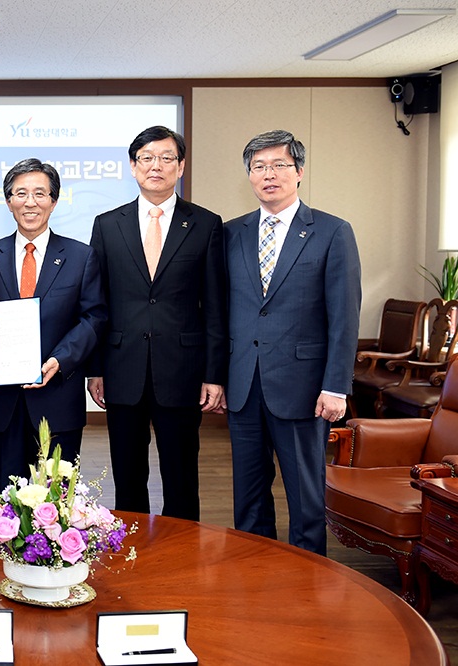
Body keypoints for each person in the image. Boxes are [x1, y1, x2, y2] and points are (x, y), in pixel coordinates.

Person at [225, 129, 361, 555]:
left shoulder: (332, 231)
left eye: (279, 165)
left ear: (299, 171)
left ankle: (307, 577)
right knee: (248, 494)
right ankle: (255, 566)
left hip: (304, 386)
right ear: (249, 175)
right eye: (259, 166)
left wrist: (336, 386)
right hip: (243, 384)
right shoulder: (231, 233)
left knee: (305, 496)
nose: (269, 174)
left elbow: (344, 316)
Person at [88, 126, 227, 521]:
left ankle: (182, 549)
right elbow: (97, 302)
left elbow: (215, 305)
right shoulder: (107, 224)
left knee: (181, 476)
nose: (156, 166)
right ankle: (132, 547)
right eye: (147, 158)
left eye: (167, 158)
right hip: (122, 369)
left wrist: (214, 374)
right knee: (128, 475)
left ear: (180, 167)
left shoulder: (205, 223)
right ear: (133, 166)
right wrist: (95, 369)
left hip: (182, 370)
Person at [0, 158, 106, 491]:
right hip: (2, 401)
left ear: (53, 201)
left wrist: (61, 359)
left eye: (40, 194)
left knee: (58, 502)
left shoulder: (80, 256)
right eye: (21, 194)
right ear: (9, 202)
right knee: (8, 499)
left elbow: (93, 316)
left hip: (57, 396)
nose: (30, 202)